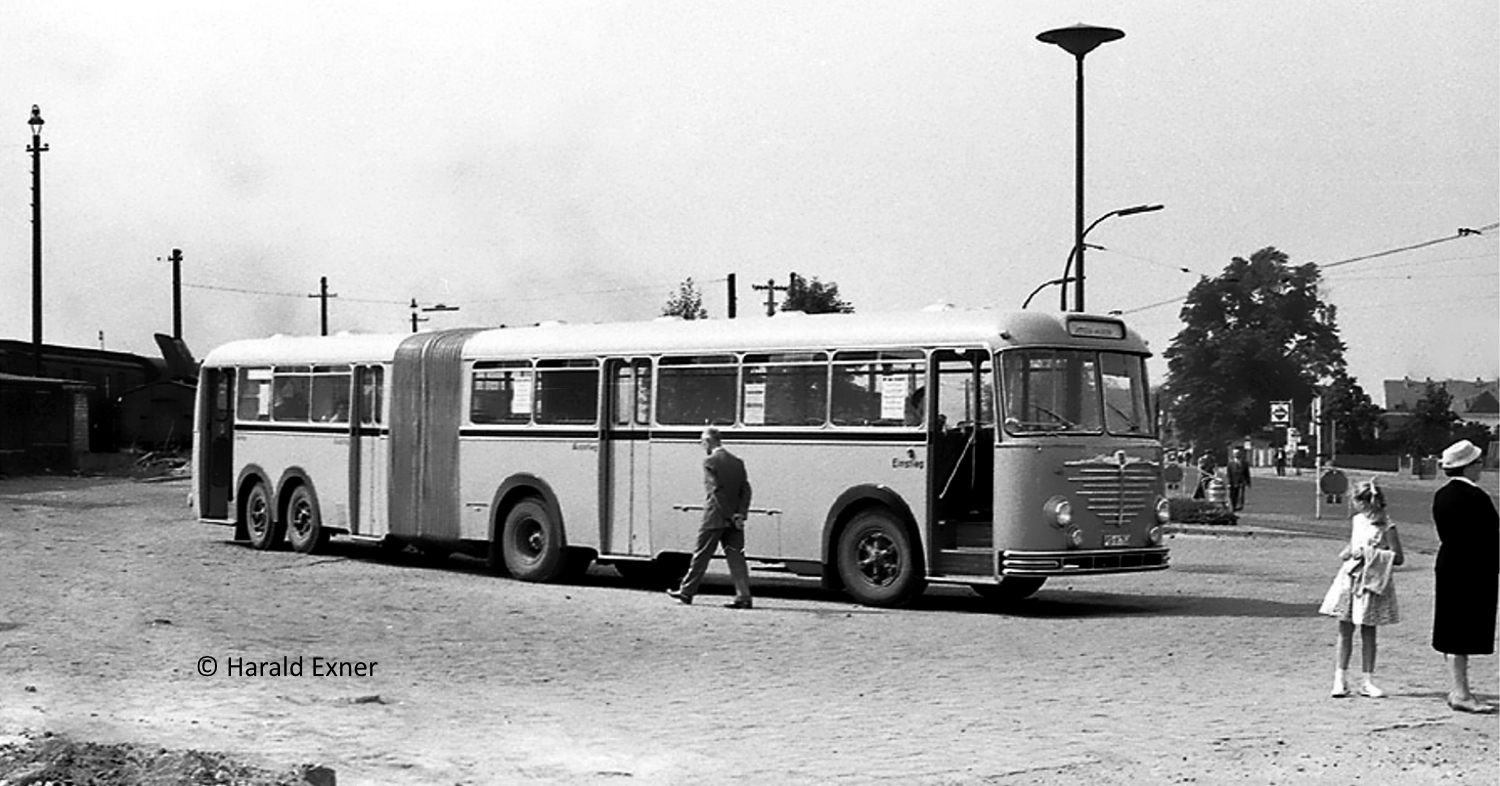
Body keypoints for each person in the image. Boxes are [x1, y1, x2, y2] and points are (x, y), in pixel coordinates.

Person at [1319, 478, 1404, 699]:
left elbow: (1398, 558)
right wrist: (1348, 551)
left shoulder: (1387, 526)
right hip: (1350, 578)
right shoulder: (1357, 520)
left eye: (1355, 501)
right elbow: (1354, 543)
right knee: (1344, 629)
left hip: (1371, 581)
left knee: (1368, 631)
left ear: (1363, 502)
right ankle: (1340, 679)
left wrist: (1369, 553)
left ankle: (1367, 680)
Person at [1431, 439, 1499, 714]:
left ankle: (1459, 688)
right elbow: (1489, 536)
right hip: (1473, 569)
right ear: (1468, 466)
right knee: (1463, 631)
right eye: (1478, 462)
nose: (1481, 466)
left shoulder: (1442, 495)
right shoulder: (1474, 497)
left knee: (1452, 627)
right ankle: (1461, 693)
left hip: (1450, 565)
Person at [668, 427, 754, 609]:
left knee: (701, 555)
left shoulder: (710, 462)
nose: (701, 445)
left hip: (715, 517)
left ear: (708, 442)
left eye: (702, 441)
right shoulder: (737, 462)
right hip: (735, 521)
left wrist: (729, 514)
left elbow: (716, 492)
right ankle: (744, 596)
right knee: (736, 556)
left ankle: (687, 592)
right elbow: (746, 490)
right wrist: (740, 514)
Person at [1226, 447, 1252, 511]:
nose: (1237, 455)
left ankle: (1240, 506)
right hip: (1233, 481)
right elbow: (1229, 474)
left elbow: (1247, 473)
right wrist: (1229, 483)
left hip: (1241, 481)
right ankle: (1233, 506)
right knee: (1233, 495)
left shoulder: (1244, 463)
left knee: (1241, 495)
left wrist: (1248, 482)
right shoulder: (1230, 463)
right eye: (1235, 453)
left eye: (1238, 453)